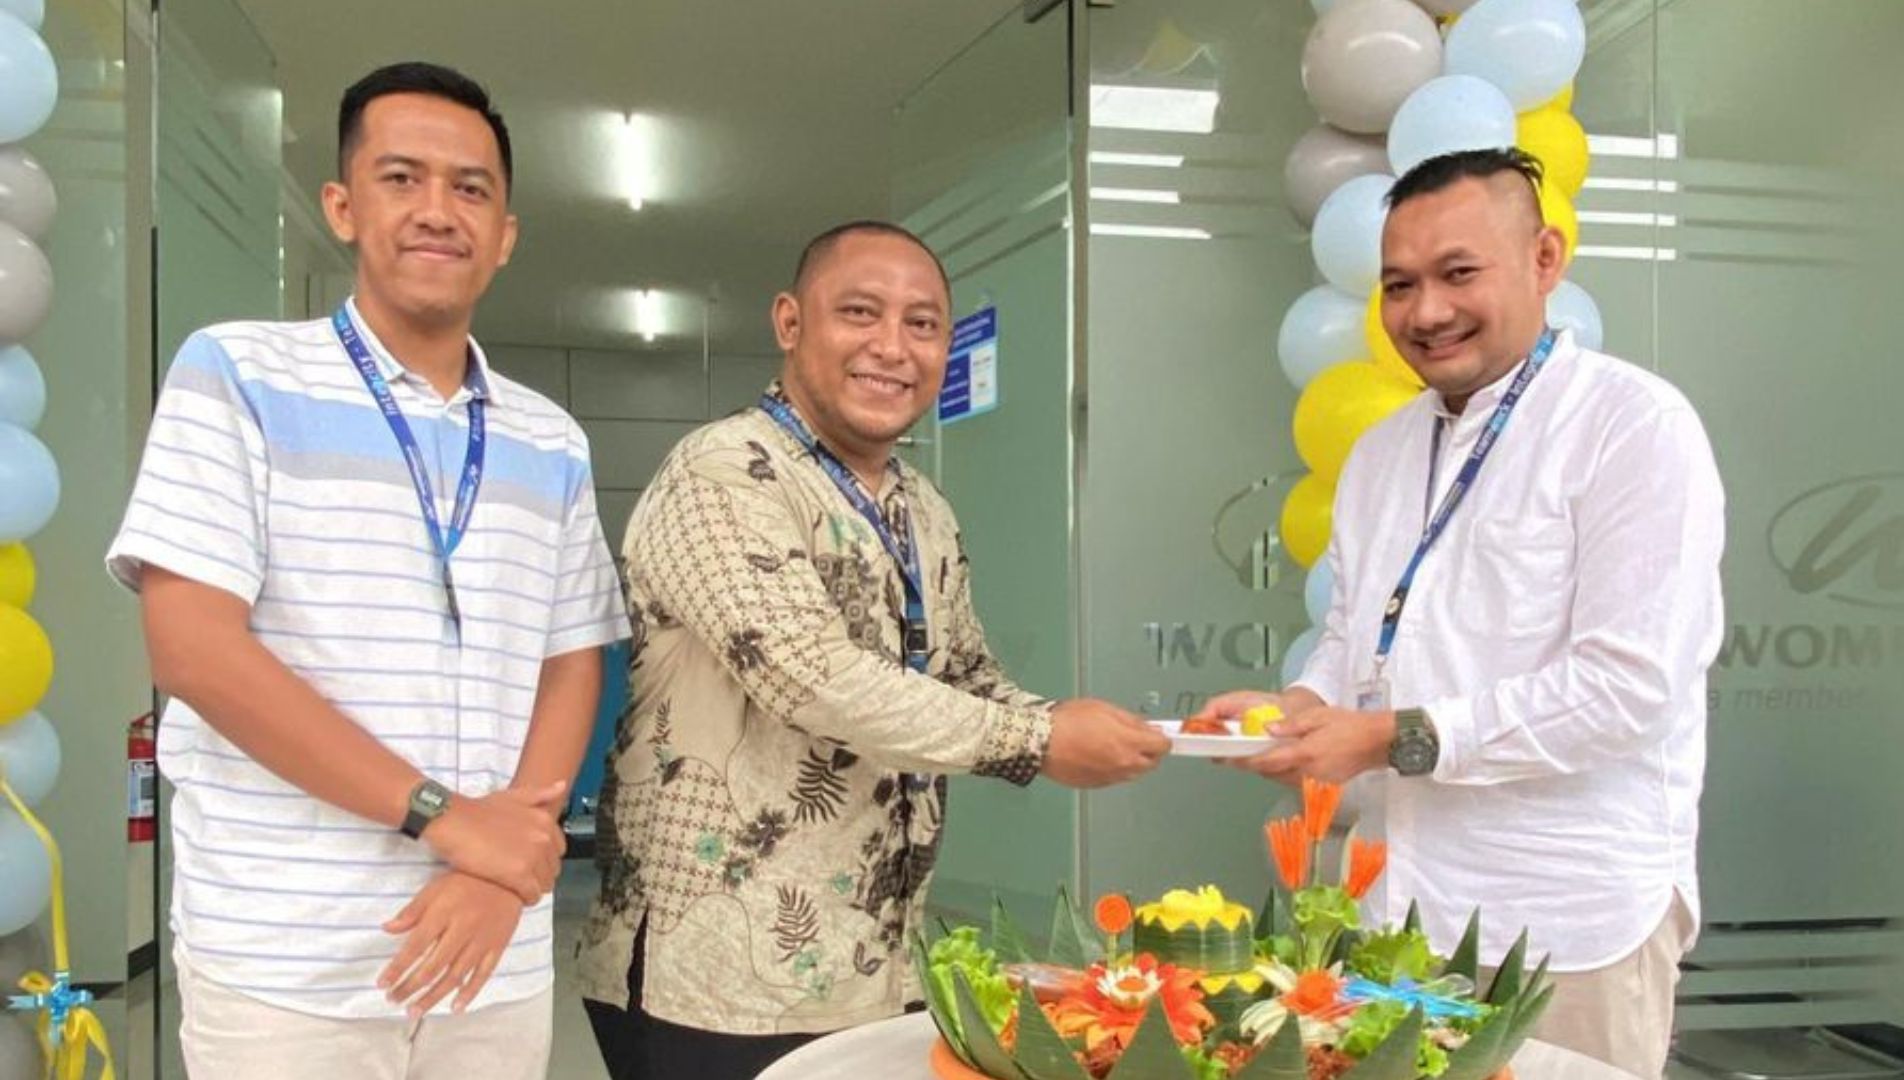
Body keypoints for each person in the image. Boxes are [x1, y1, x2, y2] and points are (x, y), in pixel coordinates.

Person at [105, 62, 627, 1078]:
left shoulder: (550, 438)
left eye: (470, 188)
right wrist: (445, 818)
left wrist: (502, 867)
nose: (437, 210)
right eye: (401, 178)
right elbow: (194, 650)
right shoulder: (240, 373)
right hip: (288, 956)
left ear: (505, 234)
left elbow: (572, 660)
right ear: (342, 207)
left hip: (493, 948)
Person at [577, 220, 1170, 1078]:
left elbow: (965, 675)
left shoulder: (921, 505)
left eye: (922, 324)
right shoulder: (721, 471)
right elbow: (811, 676)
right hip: (714, 978)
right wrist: (1041, 740)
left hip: (875, 964)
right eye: (860, 312)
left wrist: (1109, 729)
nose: (893, 347)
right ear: (790, 322)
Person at [1199, 148, 1724, 1077]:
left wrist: (1382, 737)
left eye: (1458, 273)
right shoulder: (1381, 454)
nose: (1426, 311)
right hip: (1395, 917)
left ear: (1545, 259)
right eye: (1400, 284)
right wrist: (1302, 708)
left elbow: (1626, 689)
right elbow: (1355, 637)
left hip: (1565, 924)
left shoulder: (1633, 426)